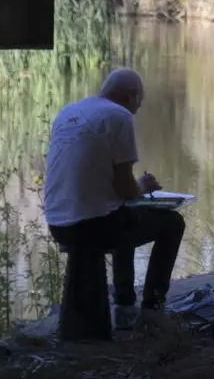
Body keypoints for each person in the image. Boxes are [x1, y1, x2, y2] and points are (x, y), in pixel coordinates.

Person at [42, 68, 185, 338]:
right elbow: (124, 187)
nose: (137, 110)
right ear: (131, 97)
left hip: (58, 224)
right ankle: (152, 310)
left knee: (123, 212)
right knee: (172, 223)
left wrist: (133, 195)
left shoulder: (69, 112)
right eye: (139, 104)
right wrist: (143, 188)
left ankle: (125, 306)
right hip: (90, 227)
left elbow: (109, 188)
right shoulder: (118, 116)